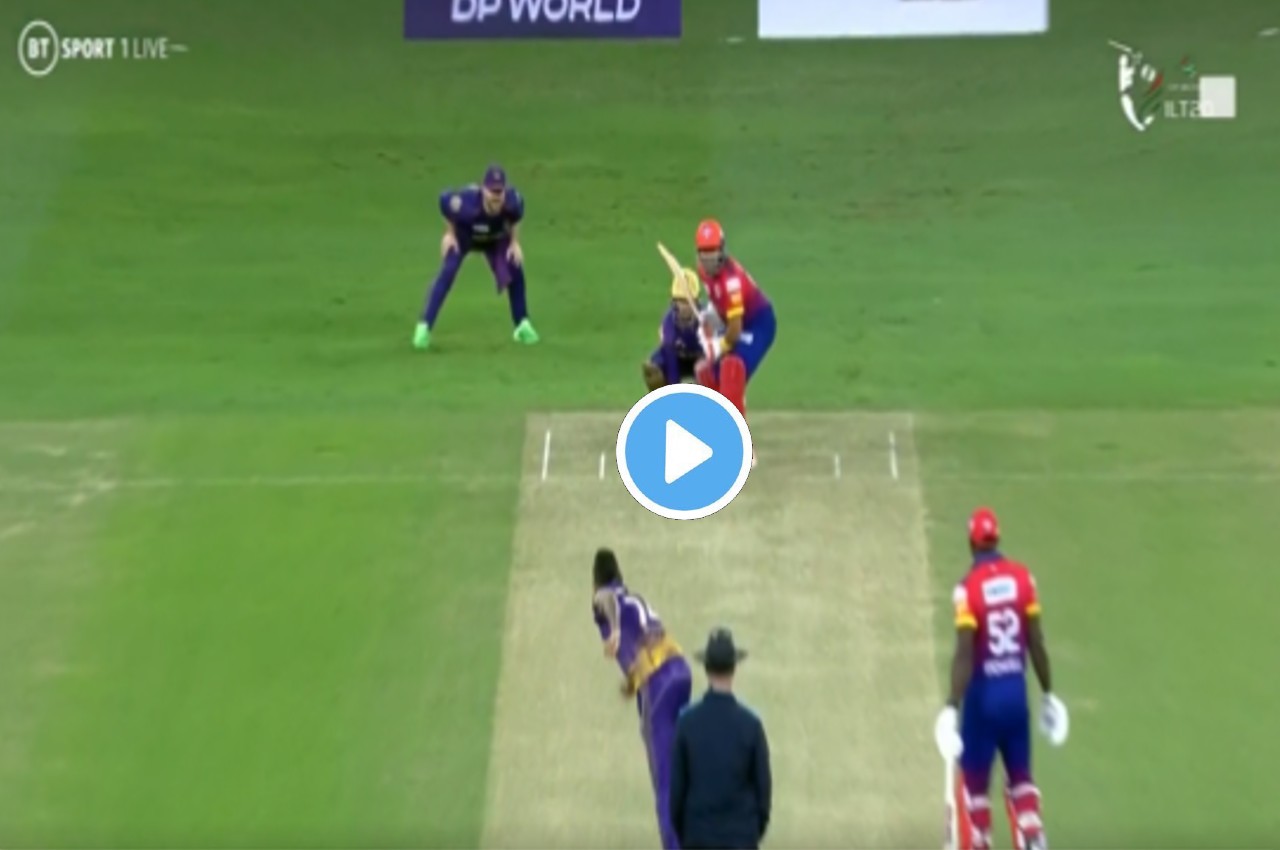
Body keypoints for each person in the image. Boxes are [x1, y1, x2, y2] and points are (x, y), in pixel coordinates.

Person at [933, 508, 1070, 850]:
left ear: (971, 543)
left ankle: (978, 842)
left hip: (982, 703)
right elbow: (1036, 642)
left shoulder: (967, 590)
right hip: (1016, 698)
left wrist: (951, 705)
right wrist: (1048, 693)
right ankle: (1031, 835)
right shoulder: (1024, 579)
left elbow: (965, 653)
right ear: (997, 539)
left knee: (974, 790)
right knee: (1021, 781)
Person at [591, 548, 692, 850]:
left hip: (659, 684)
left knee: (664, 780)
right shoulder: (634, 600)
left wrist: (614, 631)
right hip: (680, 674)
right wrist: (631, 682)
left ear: (595, 581)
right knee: (679, 767)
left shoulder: (606, 597)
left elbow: (605, 600)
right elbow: (648, 646)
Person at [413, 164, 539, 350]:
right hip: (465, 237)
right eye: (492, 191)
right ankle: (424, 327)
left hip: (495, 239)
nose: (496, 196)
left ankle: (522, 324)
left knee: (514, 264)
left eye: (500, 191)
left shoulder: (513, 201)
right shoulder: (465, 203)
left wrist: (514, 243)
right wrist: (449, 234)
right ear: (483, 190)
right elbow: (444, 202)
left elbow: (516, 217)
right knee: (448, 270)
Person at [670, 628, 771, 850]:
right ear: (734, 668)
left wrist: (687, 835)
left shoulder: (687, 723)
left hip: (697, 837)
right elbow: (763, 793)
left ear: (706, 669)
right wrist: (750, 833)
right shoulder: (751, 725)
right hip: (741, 839)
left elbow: (676, 792)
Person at [692, 219, 776, 468]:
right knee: (705, 372)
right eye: (704, 252)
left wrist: (718, 345)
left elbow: (735, 329)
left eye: (713, 251)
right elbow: (719, 303)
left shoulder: (732, 281)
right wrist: (709, 316)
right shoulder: (703, 271)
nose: (708, 258)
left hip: (758, 325)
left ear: (722, 249)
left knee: (732, 369)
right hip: (735, 322)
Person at [643, 268, 705, 391]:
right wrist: (674, 391)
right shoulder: (669, 323)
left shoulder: (708, 319)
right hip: (678, 358)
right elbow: (671, 359)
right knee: (653, 367)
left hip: (702, 359)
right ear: (674, 302)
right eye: (681, 301)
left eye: (688, 301)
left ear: (697, 300)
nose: (685, 306)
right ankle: (664, 400)